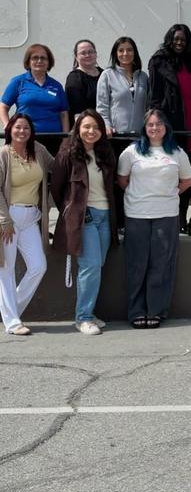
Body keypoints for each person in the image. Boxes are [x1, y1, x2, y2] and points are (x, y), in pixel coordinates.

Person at [117, 110, 191, 328]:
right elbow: (122, 180)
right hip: (137, 215)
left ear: (166, 127)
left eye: (159, 124)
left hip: (166, 214)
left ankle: (156, 310)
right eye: (150, 124)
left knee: (161, 265)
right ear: (144, 128)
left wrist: (168, 194)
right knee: (137, 265)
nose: (154, 128)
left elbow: (186, 181)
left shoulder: (177, 153)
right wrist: (139, 195)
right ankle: (137, 311)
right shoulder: (131, 152)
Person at [51, 110, 118, 336]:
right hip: (84, 217)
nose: (91, 131)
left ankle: (88, 311)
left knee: (96, 266)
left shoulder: (105, 153)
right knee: (90, 266)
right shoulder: (67, 153)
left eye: (96, 127)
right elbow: (57, 189)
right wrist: (73, 212)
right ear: (78, 128)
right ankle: (83, 317)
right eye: (86, 127)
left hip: (105, 216)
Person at [147, 24, 191, 236]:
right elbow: (154, 96)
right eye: (176, 39)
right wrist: (156, 123)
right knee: (177, 171)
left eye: (183, 39)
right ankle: (180, 216)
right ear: (169, 39)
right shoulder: (158, 61)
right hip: (173, 122)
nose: (179, 43)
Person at [0, 114, 53, 335]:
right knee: (7, 269)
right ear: (10, 129)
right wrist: (4, 220)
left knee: (39, 266)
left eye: (26, 128)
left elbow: (57, 166)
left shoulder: (38, 150)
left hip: (31, 217)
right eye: (18, 127)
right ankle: (12, 322)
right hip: (9, 217)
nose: (22, 131)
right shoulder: (3, 154)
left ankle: (10, 311)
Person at [0, 44, 69, 154]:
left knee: (52, 171)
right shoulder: (18, 82)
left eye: (43, 58)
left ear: (48, 62)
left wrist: (66, 138)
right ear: (28, 61)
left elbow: (64, 114)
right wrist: (8, 126)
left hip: (54, 139)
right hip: (25, 138)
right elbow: (3, 107)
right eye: (35, 58)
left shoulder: (56, 85)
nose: (39, 61)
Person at [96, 37, 148, 138]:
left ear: (134, 52)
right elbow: (102, 106)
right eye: (121, 50)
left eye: (129, 50)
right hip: (116, 135)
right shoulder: (107, 75)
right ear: (115, 53)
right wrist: (106, 125)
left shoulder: (143, 76)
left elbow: (148, 106)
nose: (125, 53)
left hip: (139, 135)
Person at [64, 39, 103, 124]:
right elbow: (77, 112)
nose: (87, 55)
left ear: (96, 54)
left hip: (107, 127)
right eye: (83, 53)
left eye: (90, 52)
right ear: (76, 56)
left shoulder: (105, 74)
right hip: (86, 127)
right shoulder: (74, 78)